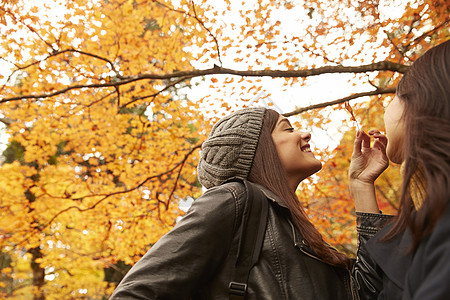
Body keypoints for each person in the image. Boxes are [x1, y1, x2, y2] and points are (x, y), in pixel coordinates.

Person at [110, 107, 385, 300]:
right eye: (287, 128)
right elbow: (136, 292)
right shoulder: (234, 200)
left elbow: (368, 292)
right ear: (259, 149)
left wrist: (362, 186)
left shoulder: (297, 232)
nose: (305, 134)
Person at [349, 40, 450, 299]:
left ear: (423, 103)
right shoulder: (428, 212)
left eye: (394, 96)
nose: (386, 108)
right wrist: (361, 186)